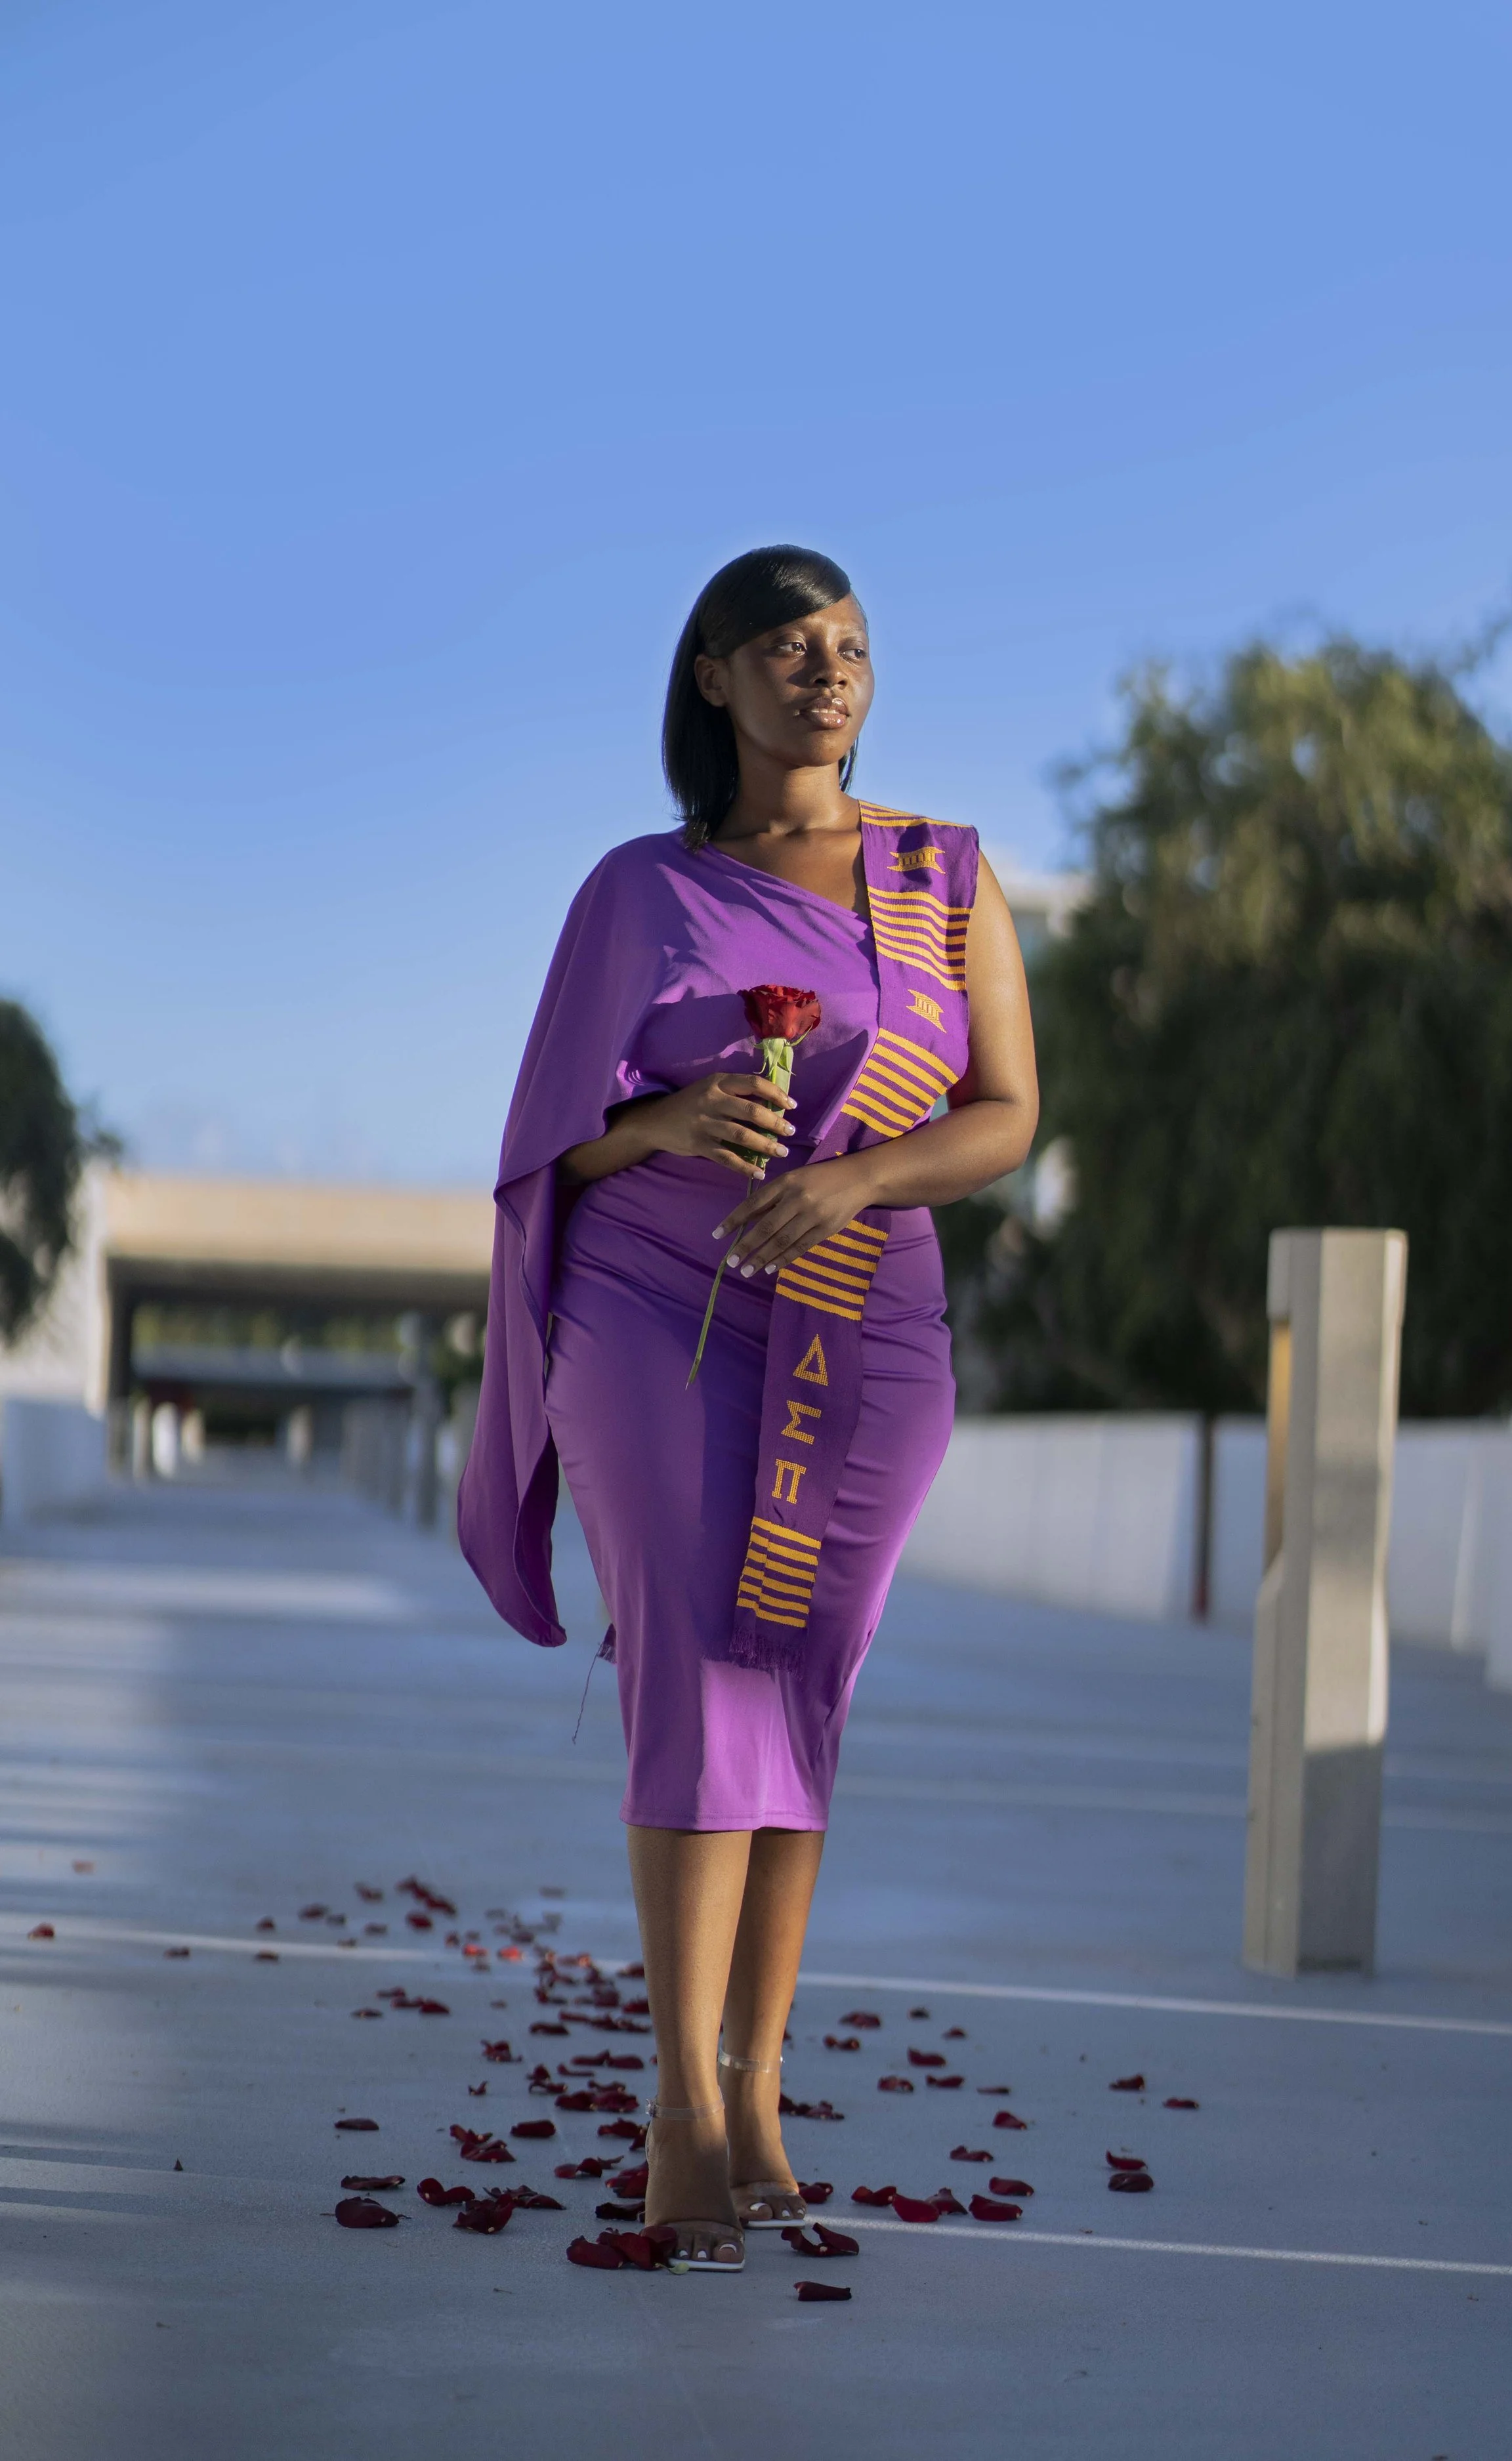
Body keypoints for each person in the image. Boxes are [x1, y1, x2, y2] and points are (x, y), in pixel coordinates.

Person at [459, 545, 1038, 2269]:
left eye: (850, 644)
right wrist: (663, 1128)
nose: (827, 669)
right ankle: (680, 2109)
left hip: (869, 1328)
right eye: (789, 644)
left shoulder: (943, 875)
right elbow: (540, 1143)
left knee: (796, 1687)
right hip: (656, 1316)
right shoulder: (639, 891)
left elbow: (1005, 1111)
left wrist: (857, 1190)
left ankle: (757, 2083)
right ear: (711, 674)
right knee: (693, 1683)